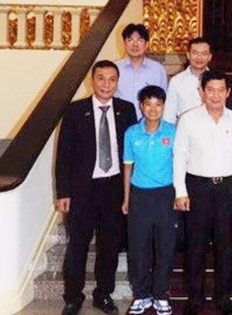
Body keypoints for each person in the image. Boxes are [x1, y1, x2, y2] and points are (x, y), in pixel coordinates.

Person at [55, 60, 137, 315]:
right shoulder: (75, 110)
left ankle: (104, 294)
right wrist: (63, 192)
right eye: (101, 78)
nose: (106, 84)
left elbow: (131, 153)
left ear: (117, 82)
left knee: (110, 245)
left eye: (112, 79)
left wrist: (129, 192)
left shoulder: (127, 109)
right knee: (77, 244)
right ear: (92, 80)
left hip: (113, 188)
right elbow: (64, 154)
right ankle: (73, 296)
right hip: (82, 190)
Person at [173, 70, 232, 315]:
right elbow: (179, 156)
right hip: (197, 188)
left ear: (228, 92)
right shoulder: (188, 119)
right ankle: (195, 298)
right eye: (210, 90)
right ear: (201, 92)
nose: (215, 95)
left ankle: (223, 296)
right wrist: (180, 191)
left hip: (227, 188)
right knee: (196, 246)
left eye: (220, 90)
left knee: (226, 245)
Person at [122, 85, 176, 315]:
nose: (153, 109)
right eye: (148, 104)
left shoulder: (174, 131)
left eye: (158, 104)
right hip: (139, 196)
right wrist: (126, 198)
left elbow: (180, 165)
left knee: (165, 246)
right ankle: (141, 295)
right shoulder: (132, 133)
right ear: (141, 106)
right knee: (138, 247)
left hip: (166, 195)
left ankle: (160, 294)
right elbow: (127, 167)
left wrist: (179, 194)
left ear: (163, 106)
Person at [115, 23, 167, 120]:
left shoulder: (158, 70)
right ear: (124, 44)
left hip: (149, 125)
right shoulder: (115, 68)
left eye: (140, 40)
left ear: (147, 44)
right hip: (121, 123)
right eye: (130, 40)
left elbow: (163, 100)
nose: (135, 44)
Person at [164, 37, 212, 123]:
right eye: (195, 53)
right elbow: (169, 115)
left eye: (204, 54)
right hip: (184, 132)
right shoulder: (176, 81)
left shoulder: (216, 81)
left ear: (209, 57)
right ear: (188, 55)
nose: (199, 57)